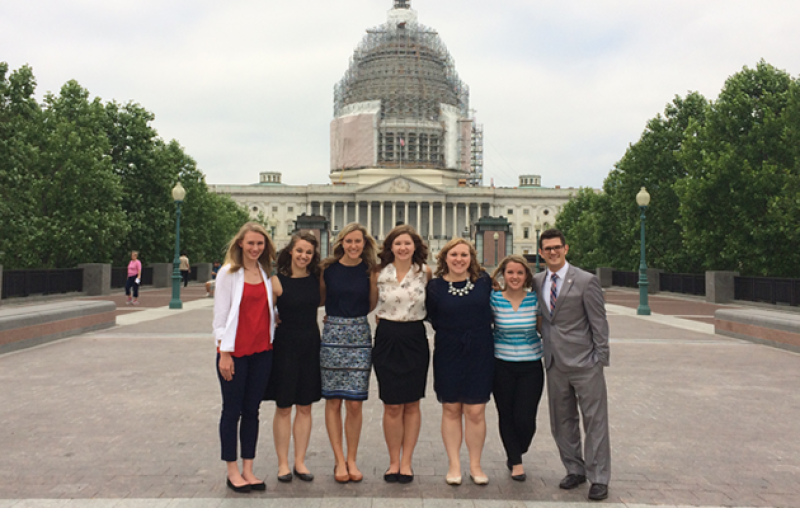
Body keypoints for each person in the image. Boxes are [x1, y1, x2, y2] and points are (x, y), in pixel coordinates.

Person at [533, 229, 610, 501]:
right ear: (541, 253)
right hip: (554, 362)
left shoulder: (587, 281)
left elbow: (599, 323)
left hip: (585, 362)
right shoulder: (537, 280)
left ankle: (599, 477)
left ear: (566, 248)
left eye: (557, 247)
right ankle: (574, 468)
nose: (552, 252)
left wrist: (600, 358)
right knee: (561, 421)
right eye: (547, 248)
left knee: (595, 420)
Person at [212, 222, 277, 493]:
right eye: (251, 243)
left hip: (261, 351)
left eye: (260, 244)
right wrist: (223, 352)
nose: (255, 248)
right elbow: (221, 314)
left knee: (252, 411)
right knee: (232, 411)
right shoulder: (228, 273)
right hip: (235, 353)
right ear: (240, 243)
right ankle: (232, 470)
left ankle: (249, 468)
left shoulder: (264, 272)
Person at [426, 238, 494, 486]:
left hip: (480, 350)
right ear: (445, 258)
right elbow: (432, 315)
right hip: (448, 350)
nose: (459, 259)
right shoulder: (434, 287)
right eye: (454, 254)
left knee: (475, 411)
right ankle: (454, 464)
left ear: (471, 258)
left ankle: (475, 465)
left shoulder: (483, 282)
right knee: (451, 408)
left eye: (464, 255)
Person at [371, 225, 432, 484]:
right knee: (392, 404)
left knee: (412, 403)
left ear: (415, 246)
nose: (403, 248)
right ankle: (393, 461)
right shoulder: (378, 273)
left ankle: (406, 462)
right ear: (390, 247)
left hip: (415, 338)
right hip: (387, 337)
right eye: (398, 244)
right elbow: (367, 303)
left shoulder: (426, 273)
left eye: (407, 243)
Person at [319, 222, 378, 484]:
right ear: (341, 242)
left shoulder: (370, 271)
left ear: (365, 244)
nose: (353, 246)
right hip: (333, 334)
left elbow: (372, 303)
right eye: (349, 241)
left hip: (359, 334)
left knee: (355, 402)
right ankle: (339, 459)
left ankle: (352, 458)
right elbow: (319, 299)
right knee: (333, 401)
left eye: (358, 241)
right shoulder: (327, 269)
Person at [264, 233, 322, 483]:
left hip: (310, 342)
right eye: (299, 251)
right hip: (286, 343)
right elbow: (265, 312)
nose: (303, 256)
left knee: (306, 406)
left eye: (308, 252)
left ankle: (300, 461)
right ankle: (283, 463)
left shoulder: (317, 280)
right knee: (284, 406)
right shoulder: (276, 281)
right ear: (290, 252)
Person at [490, 255, 544, 482]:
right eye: (510, 272)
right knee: (506, 414)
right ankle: (516, 460)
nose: (514, 277)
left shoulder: (534, 301)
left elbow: (542, 329)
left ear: (526, 276)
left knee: (526, 418)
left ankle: (519, 448)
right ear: (503, 274)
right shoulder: (493, 299)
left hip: (531, 366)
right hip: (501, 365)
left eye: (519, 273)